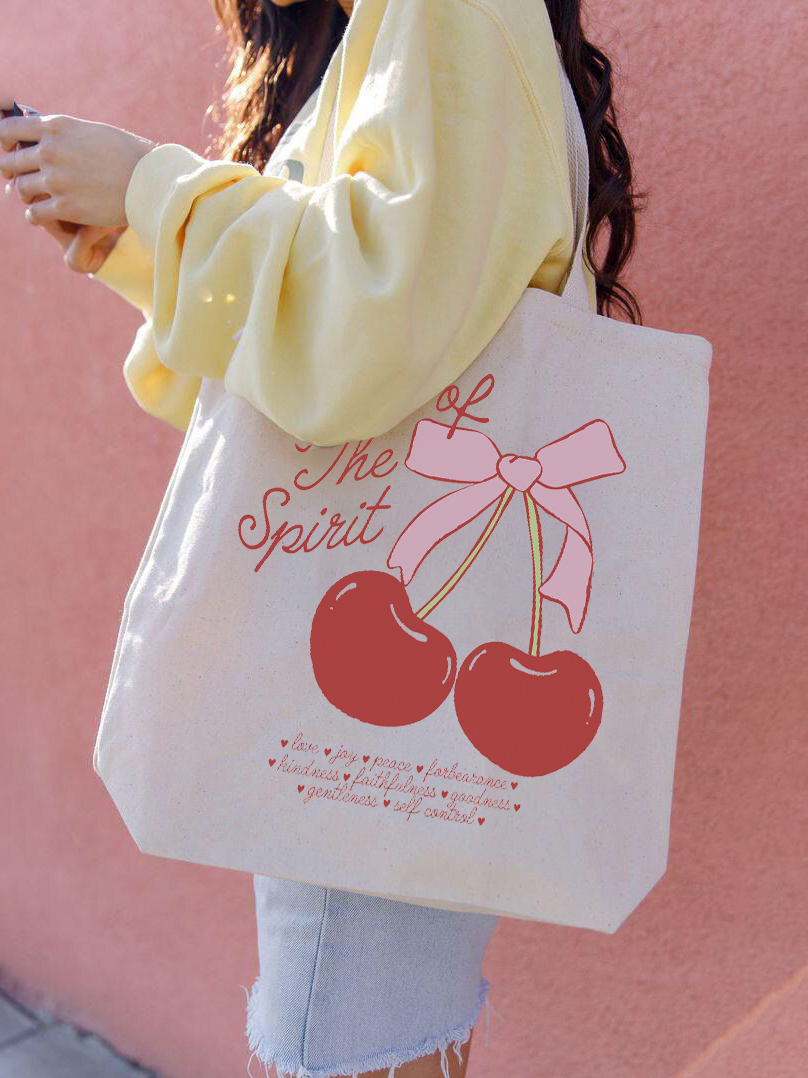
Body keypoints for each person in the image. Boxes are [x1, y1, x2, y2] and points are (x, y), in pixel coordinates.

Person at [0, 0, 641, 1074]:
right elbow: (345, 332)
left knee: (343, 1036)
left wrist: (152, 186)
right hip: (394, 648)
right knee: (371, 1037)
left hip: (385, 654)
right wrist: (147, 235)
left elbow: (369, 337)